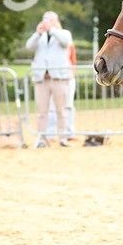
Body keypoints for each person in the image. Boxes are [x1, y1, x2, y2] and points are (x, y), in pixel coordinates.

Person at [27, 11, 73, 147]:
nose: (46, 22)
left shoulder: (64, 33)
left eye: (49, 19)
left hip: (59, 77)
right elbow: (29, 46)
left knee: (61, 110)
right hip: (42, 78)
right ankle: (41, 139)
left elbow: (66, 43)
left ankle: (63, 138)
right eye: (45, 19)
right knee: (42, 112)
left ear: (55, 21)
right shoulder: (39, 36)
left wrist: (52, 30)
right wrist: (37, 33)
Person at [47, 41, 77, 141]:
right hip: (54, 79)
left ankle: (69, 132)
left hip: (67, 78)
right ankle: (51, 133)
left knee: (68, 105)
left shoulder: (68, 44)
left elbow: (73, 61)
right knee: (52, 107)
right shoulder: (49, 46)